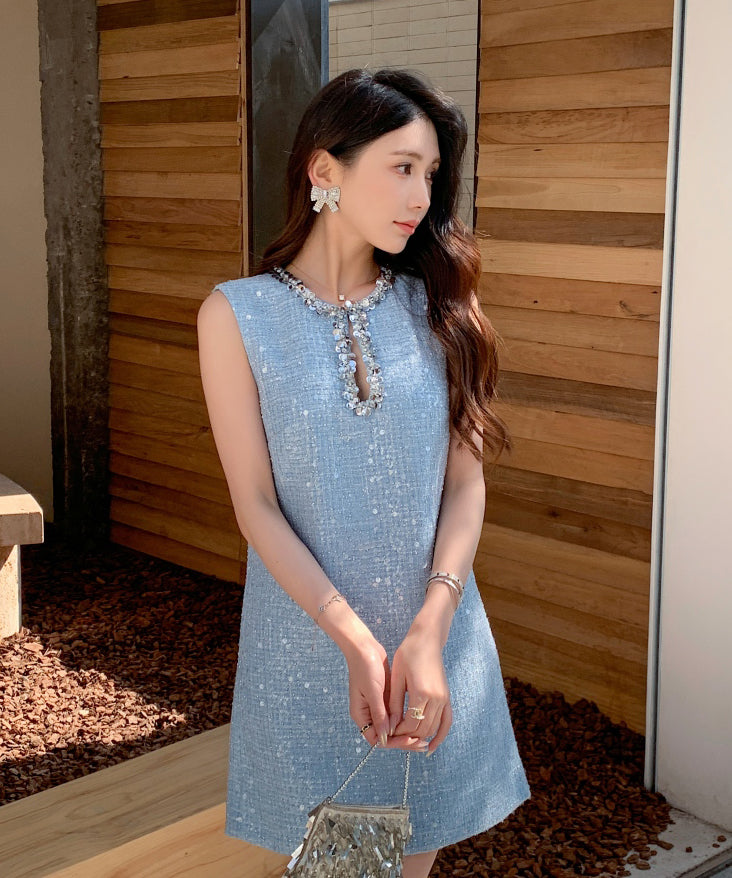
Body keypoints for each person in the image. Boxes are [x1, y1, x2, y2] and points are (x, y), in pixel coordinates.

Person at [197, 67, 530, 878]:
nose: (421, 196)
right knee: (335, 867)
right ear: (324, 169)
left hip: (433, 651)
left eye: (431, 174)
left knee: (410, 859)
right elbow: (255, 503)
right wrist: (353, 639)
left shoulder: (440, 307)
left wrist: (430, 630)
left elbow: (465, 483)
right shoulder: (237, 315)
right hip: (312, 652)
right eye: (402, 166)